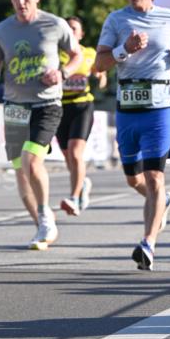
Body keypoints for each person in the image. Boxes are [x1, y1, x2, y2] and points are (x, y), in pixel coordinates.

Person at [95, 0, 170, 270]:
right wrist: (124, 49)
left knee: (154, 177)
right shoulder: (115, 20)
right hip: (128, 108)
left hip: (160, 107)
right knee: (133, 179)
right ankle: (164, 201)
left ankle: (148, 244)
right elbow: (99, 63)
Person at [0, 0, 82, 249]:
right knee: (20, 171)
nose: (21, 2)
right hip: (15, 106)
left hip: (46, 104)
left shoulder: (55, 24)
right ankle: (42, 224)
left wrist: (62, 73)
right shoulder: (2, 30)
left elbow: (77, 56)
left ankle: (44, 215)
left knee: (31, 160)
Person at [57, 16, 106, 216]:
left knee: (76, 153)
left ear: (81, 34)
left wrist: (99, 78)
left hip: (82, 106)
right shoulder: (55, 54)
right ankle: (82, 183)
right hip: (60, 108)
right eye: (67, 28)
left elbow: (102, 76)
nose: (70, 31)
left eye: (74, 28)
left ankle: (74, 198)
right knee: (68, 157)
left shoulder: (89, 54)